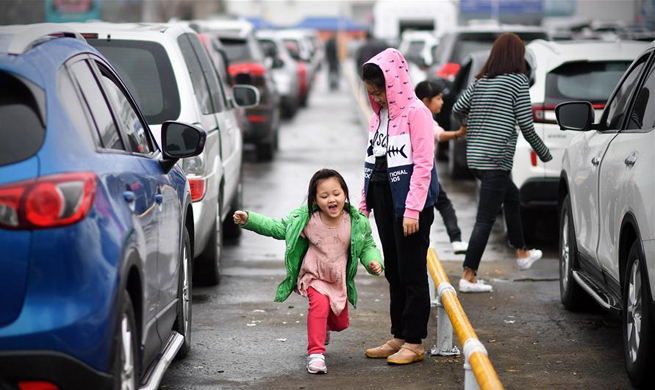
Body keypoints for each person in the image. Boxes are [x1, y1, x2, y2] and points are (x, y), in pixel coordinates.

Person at [233, 168, 383, 374]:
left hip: (337, 280)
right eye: (324, 195)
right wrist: (249, 219)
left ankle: (325, 329)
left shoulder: (355, 222)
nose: (332, 199)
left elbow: (367, 246)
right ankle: (316, 354)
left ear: (345, 194)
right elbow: (278, 228)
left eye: (336, 194)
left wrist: (374, 262)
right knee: (319, 307)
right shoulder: (307, 220)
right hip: (314, 276)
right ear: (315, 199)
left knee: (340, 323)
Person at [452, 33, 553, 294]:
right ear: (516, 56)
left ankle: (522, 252)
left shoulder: (481, 82)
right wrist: (545, 154)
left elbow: (457, 108)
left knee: (512, 196)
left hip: (476, 159)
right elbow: (527, 125)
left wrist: (468, 125)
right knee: (485, 220)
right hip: (496, 160)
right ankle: (468, 275)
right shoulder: (517, 82)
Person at [359, 48, 439, 365]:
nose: (376, 97)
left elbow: (423, 165)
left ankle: (415, 341)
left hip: (409, 205)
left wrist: (412, 209)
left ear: (394, 82)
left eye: (379, 90)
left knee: (412, 271)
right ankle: (399, 335)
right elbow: (372, 160)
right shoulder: (380, 116)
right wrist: (365, 204)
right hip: (383, 197)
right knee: (393, 270)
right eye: (371, 93)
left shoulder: (416, 113)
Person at [415, 79, 468, 255]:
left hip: (421, 173)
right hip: (425, 173)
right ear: (425, 101)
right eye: (438, 98)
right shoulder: (424, 119)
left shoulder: (417, 116)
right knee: (442, 205)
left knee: (435, 205)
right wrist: (458, 133)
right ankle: (456, 239)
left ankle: (454, 239)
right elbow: (439, 135)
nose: (442, 102)